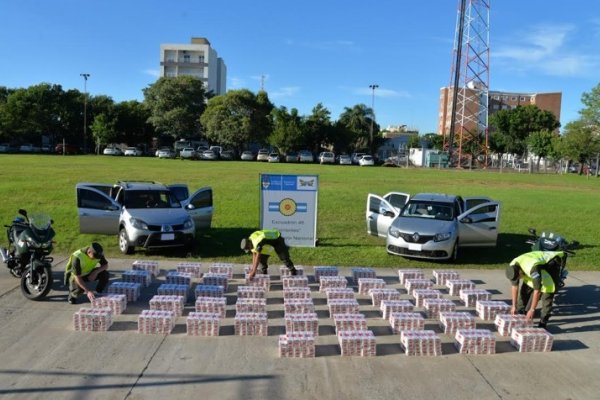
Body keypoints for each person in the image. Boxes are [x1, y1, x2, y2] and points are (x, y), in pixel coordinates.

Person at [505, 250, 564, 328]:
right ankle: (521, 315)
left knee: (547, 297)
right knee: (524, 293)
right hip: (532, 267)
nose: (518, 279)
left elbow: (537, 291)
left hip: (550, 267)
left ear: (520, 272)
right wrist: (514, 306)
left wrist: (532, 310)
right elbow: (514, 286)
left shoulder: (532, 269)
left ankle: (543, 322)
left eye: (518, 277)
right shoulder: (512, 267)